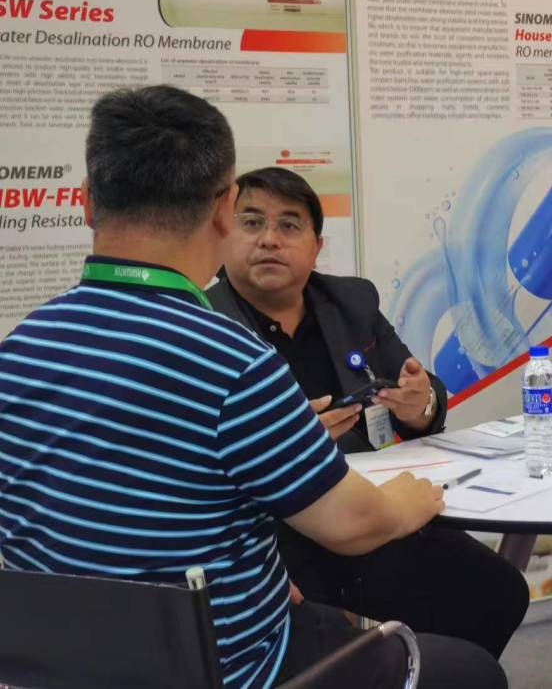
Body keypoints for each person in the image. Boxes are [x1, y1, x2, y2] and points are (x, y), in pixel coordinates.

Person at [0, 86, 508, 689]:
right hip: (234, 669)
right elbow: (353, 524)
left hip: (64, 667)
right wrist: (410, 498)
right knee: (471, 673)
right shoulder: (231, 359)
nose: (270, 240)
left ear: (86, 202)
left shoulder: (20, 348)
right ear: (225, 209)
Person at [208, 166, 529, 660]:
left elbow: (421, 390)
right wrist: (291, 444)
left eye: (289, 225)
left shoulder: (350, 302)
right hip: (274, 534)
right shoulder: (202, 322)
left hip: (370, 509)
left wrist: (419, 404)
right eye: (251, 223)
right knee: (331, 642)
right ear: (224, 233)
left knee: (497, 591)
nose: (269, 239)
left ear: (316, 245)